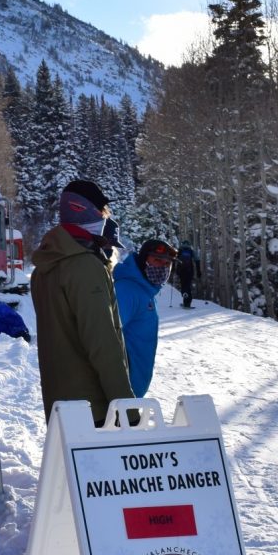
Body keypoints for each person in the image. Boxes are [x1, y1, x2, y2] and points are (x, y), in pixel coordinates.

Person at [29, 179, 133, 425]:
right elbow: (102, 343)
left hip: (62, 406)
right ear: (83, 210)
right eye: (102, 212)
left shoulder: (46, 266)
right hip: (95, 410)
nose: (105, 218)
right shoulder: (84, 266)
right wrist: (129, 411)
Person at [115, 238, 175, 397]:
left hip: (131, 391)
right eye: (157, 260)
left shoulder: (145, 290)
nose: (163, 267)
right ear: (143, 260)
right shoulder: (127, 290)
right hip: (120, 391)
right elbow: (106, 337)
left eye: (167, 263)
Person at [175, 241, 199, 308]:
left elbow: (174, 259)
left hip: (181, 271)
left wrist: (173, 269)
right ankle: (187, 303)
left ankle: (185, 299)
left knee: (183, 285)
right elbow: (197, 260)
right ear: (189, 245)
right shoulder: (191, 251)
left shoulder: (179, 251)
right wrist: (198, 271)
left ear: (182, 244)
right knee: (188, 286)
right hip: (189, 271)